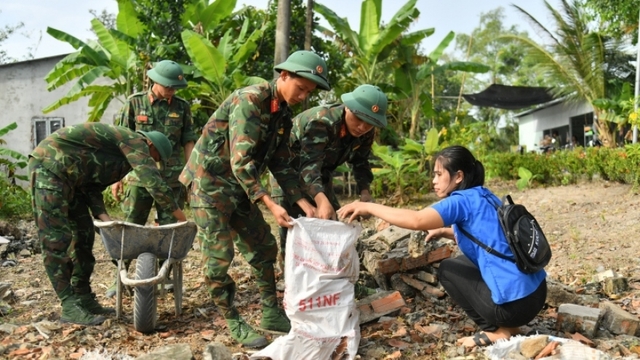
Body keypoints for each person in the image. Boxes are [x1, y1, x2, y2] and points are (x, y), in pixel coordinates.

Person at [179, 50, 331, 348]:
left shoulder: (283, 113)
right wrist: (271, 204)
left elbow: (281, 163)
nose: (303, 95)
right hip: (208, 186)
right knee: (218, 257)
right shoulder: (250, 100)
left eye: (309, 92)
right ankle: (233, 318)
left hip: (238, 188)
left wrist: (304, 203)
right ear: (283, 76)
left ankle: (270, 312)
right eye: (301, 88)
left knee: (263, 245)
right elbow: (241, 161)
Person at [337, 145, 547, 348]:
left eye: (439, 174)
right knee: (464, 262)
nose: (434, 181)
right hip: (537, 293)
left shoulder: (459, 202)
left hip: (515, 309)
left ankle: (497, 330)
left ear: (458, 177)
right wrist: (445, 231)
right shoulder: (483, 194)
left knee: (448, 269)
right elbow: (490, 238)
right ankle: (513, 326)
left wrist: (366, 206)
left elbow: (417, 220)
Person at [29, 123, 186, 326]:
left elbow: (91, 186)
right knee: (56, 238)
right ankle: (68, 304)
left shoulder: (121, 160)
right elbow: (154, 183)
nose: (151, 162)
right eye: (154, 157)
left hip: (73, 180)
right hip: (49, 167)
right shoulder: (134, 141)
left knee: (84, 234)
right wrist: (181, 219)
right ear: (150, 144)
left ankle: (83, 296)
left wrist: (104, 218)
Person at [270, 84, 387, 297]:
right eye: (359, 119)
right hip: (287, 172)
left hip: (320, 173)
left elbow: (360, 163)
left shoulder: (366, 131)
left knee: (333, 225)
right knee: (293, 228)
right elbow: (308, 166)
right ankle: (294, 287)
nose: (362, 127)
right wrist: (319, 199)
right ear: (348, 108)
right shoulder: (322, 121)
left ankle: (336, 282)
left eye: (369, 124)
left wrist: (365, 194)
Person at [106, 59, 198, 298]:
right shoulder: (134, 103)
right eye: (167, 85)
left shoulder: (182, 106)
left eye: (174, 87)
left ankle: (164, 277)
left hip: (171, 177)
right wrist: (116, 177)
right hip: (138, 177)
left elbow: (188, 140)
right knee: (130, 225)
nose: (171, 90)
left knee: (169, 229)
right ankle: (120, 277)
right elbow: (121, 140)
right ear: (155, 80)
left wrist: (190, 175)